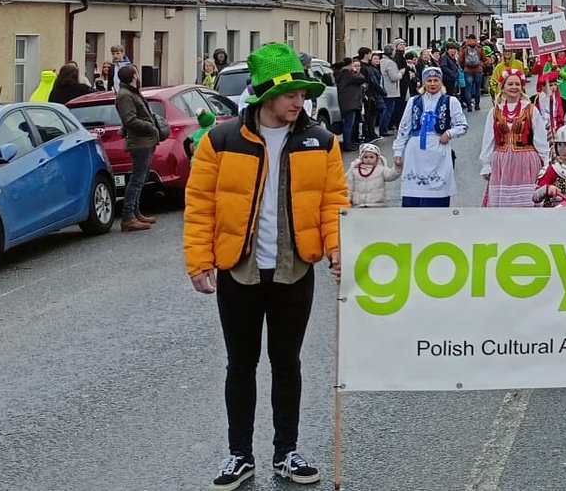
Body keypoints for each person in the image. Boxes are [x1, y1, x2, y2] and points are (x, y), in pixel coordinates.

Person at [183, 42, 343, 489]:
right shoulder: (221, 140)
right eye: (292, 93)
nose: (301, 101)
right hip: (240, 269)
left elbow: (334, 203)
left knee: (287, 362)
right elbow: (199, 207)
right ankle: (240, 454)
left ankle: (286, 451)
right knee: (241, 363)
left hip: (294, 269)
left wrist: (337, 249)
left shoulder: (321, 141)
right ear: (266, 96)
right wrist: (199, 261)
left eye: (303, 94)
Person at [393, 67, 468, 207]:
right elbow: (404, 128)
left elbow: (463, 126)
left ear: (441, 82)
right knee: (414, 192)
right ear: (423, 83)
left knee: (437, 193)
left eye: (436, 80)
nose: (432, 84)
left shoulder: (450, 101)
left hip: (438, 149)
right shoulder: (414, 101)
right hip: (415, 152)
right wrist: (398, 151)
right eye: (429, 80)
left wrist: (449, 133)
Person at [480, 68, 548, 207]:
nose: (514, 87)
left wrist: (546, 163)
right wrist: (486, 164)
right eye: (510, 84)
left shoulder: (531, 109)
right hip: (502, 163)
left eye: (517, 84)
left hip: (526, 162)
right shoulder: (494, 111)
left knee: (526, 202)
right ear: (503, 87)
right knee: (504, 205)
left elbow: (541, 139)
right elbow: (488, 140)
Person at [113, 64, 159, 232]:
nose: (138, 76)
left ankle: (136, 212)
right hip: (139, 142)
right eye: (137, 73)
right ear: (133, 76)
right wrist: (150, 126)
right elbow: (130, 120)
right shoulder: (125, 95)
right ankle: (128, 217)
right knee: (137, 179)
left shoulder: (132, 92)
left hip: (145, 141)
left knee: (141, 178)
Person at [346, 142, 401, 207]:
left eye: (371, 157)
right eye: (365, 157)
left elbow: (391, 175)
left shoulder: (381, 169)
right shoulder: (355, 170)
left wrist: (397, 167)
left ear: (377, 158)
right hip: (359, 204)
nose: (368, 159)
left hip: (377, 204)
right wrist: (347, 199)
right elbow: (349, 187)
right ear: (361, 158)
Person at [335, 58, 365, 152]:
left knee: (349, 124)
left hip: (346, 102)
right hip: (350, 103)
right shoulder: (348, 74)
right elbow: (361, 79)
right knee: (348, 124)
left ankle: (349, 142)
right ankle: (347, 143)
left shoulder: (341, 74)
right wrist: (356, 72)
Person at [361, 53, 386, 142]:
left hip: (374, 94)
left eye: (378, 59)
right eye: (374, 58)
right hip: (373, 94)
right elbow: (374, 82)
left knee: (373, 114)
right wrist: (382, 92)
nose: (376, 60)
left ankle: (371, 133)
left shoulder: (376, 69)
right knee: (371, 115)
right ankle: (369, 133)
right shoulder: (371, 69)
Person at [379, 46, 402, 135]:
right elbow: (394, 77)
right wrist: (400, 73)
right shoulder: (391, 63)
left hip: (383, 88)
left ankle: (383, 128)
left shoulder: (381, 61)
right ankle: (384, 129)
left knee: (384, 110)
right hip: (390, 90)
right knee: (388, 110)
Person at [460, 34, 486, 112]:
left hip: (467, 70)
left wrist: (464, 66)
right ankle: (477, 106)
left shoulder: (464, 48)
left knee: (468, 88)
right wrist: (481, 64)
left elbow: (460, 60)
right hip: (478, 70)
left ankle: (469, 106)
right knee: (477, 88)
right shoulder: (479, 47)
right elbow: (484, 58)